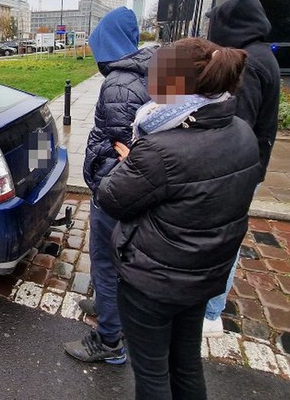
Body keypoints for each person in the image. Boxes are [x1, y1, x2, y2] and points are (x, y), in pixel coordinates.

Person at [97, 38, 262, 399]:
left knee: (153, 373)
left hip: (155, 280)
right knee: (186, 363)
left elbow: (112, 199)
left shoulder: (159, 148)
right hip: (203, 274)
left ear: (174, 83)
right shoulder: (242, 132)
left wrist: (130, 162)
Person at [64, 6, 155, 364]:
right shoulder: (154, 68)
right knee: (120, 259)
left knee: (104, 260)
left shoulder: (119, 82)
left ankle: (108, 340)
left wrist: (105, 172)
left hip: (114, 189)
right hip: (137, 190)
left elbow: (122, 145)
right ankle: (106, 306)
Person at [202, 0, 281, 337]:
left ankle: (210, 313)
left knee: (222, 239)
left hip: (234, 172)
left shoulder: (248, 64)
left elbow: (236, 125)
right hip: (247, 166)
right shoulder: (264, 55)